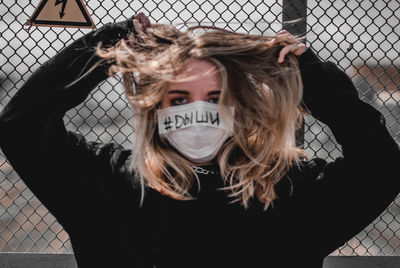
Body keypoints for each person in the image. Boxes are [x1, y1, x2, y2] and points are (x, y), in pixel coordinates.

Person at [0, 12, 399, 268]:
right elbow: (21, 125)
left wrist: (305, 74)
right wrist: (108, 46)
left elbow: (382, 167)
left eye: (215, 98)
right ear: (156, 108)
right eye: (178, 98)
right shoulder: (109, 182)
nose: (198, 112)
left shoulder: (289, 187)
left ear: (239, 106)